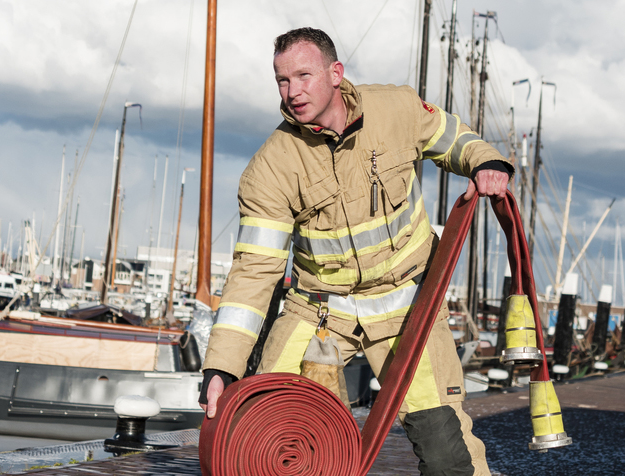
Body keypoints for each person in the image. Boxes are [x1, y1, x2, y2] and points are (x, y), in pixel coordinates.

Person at [199, 27, 511, 475]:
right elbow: (254, 273)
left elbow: (453, 138)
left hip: (408, 313)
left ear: (336, 72)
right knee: (273, 437)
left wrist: (487, 161)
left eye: (303, 76)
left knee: (449, 456)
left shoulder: (397, 109)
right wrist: (222, 368)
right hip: (319, 315)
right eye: (282, 81)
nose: (293, 92)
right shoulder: (271, 167)